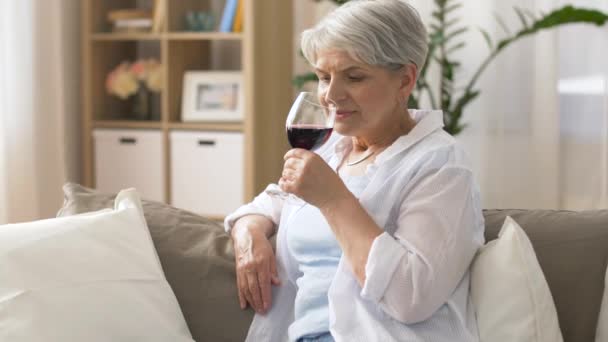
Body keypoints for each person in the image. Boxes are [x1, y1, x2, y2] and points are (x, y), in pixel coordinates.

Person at [224, 1, 485, 341]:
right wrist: (248, 233)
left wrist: (334, 200)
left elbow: (411, 297)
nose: (331, 95)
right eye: (323, 77)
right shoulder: (333, 149)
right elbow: (272, 202)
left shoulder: (441, 165)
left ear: (405, 79)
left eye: (354, 76)